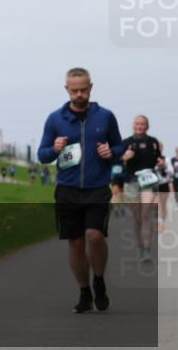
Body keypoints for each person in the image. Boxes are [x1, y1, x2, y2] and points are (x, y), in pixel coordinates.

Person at [37, 68, 124, 314]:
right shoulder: (56, 119)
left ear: (91, 87)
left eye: (83, 89)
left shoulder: (105, 116)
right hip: (67, 189)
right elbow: (42, 155)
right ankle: (84, 291)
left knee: (94, 236)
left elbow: (118, 145)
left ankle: (99, 280)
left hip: (97, 187)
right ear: (66, 89)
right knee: (75, 244)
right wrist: (53, 149)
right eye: (74, 90)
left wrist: (112, 152)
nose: (79, 94)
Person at [122, 115, 165, 260]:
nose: (139, 126)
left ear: (147, 126)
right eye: (137, 124)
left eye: (142, 124)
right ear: (133, 125)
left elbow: (159, 158)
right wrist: (124, 158)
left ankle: (147, 248)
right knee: (137, 217)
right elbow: (117, 162)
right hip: (132, 181)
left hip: (149, 181)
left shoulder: (153, 142)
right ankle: (140, 245)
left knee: (146, 214)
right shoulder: (126, 142)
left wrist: (161, 163)